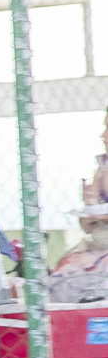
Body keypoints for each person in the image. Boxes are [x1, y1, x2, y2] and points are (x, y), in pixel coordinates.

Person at [48, 108, 108, 303]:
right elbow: (88, 227)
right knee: (65, 270)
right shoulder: (102, 169)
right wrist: (89, 206)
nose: (103, 135)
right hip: (98, 245)